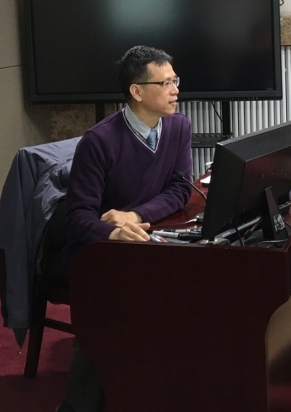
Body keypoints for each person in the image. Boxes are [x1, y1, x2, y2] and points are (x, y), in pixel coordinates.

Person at [57, 45, 193, 412]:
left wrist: (135, 216)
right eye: (165, 83)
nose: (175, 89)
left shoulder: (179, 126)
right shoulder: (99, 141)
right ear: (136, 91)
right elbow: (79, 218)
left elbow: (181, 188)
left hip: (148, 238)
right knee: (122, 309)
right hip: (100, 253)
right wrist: (113, 232)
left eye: (175, 80)